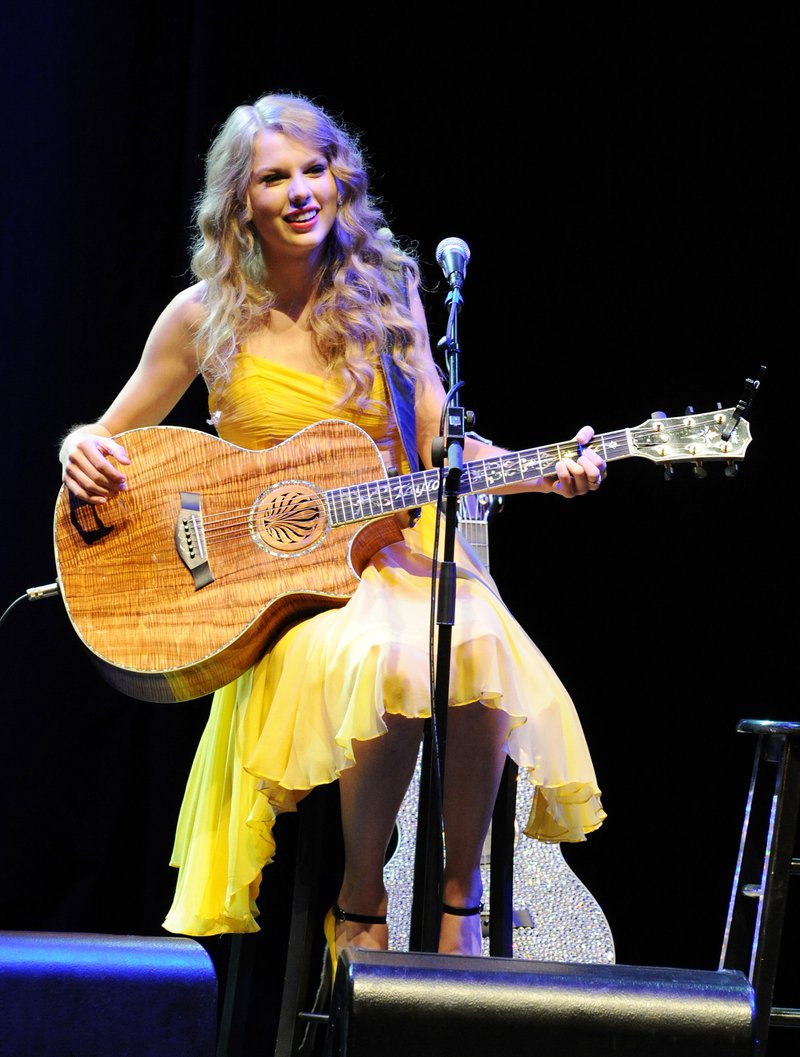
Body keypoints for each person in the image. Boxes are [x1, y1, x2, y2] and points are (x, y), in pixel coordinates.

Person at [59, 93, 607, 973]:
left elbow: (439, 436)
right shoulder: (202, 317)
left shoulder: (386, 295)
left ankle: (459, 902)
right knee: (387, 658)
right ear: (241, 202)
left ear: (340, 179)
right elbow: (107, 433)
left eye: (315, 170)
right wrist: (79, 450)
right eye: (276, 178)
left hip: (397, 552)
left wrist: (545, 468)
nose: (301, 191)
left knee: (476, 640)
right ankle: (361, 897)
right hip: (278, 594)